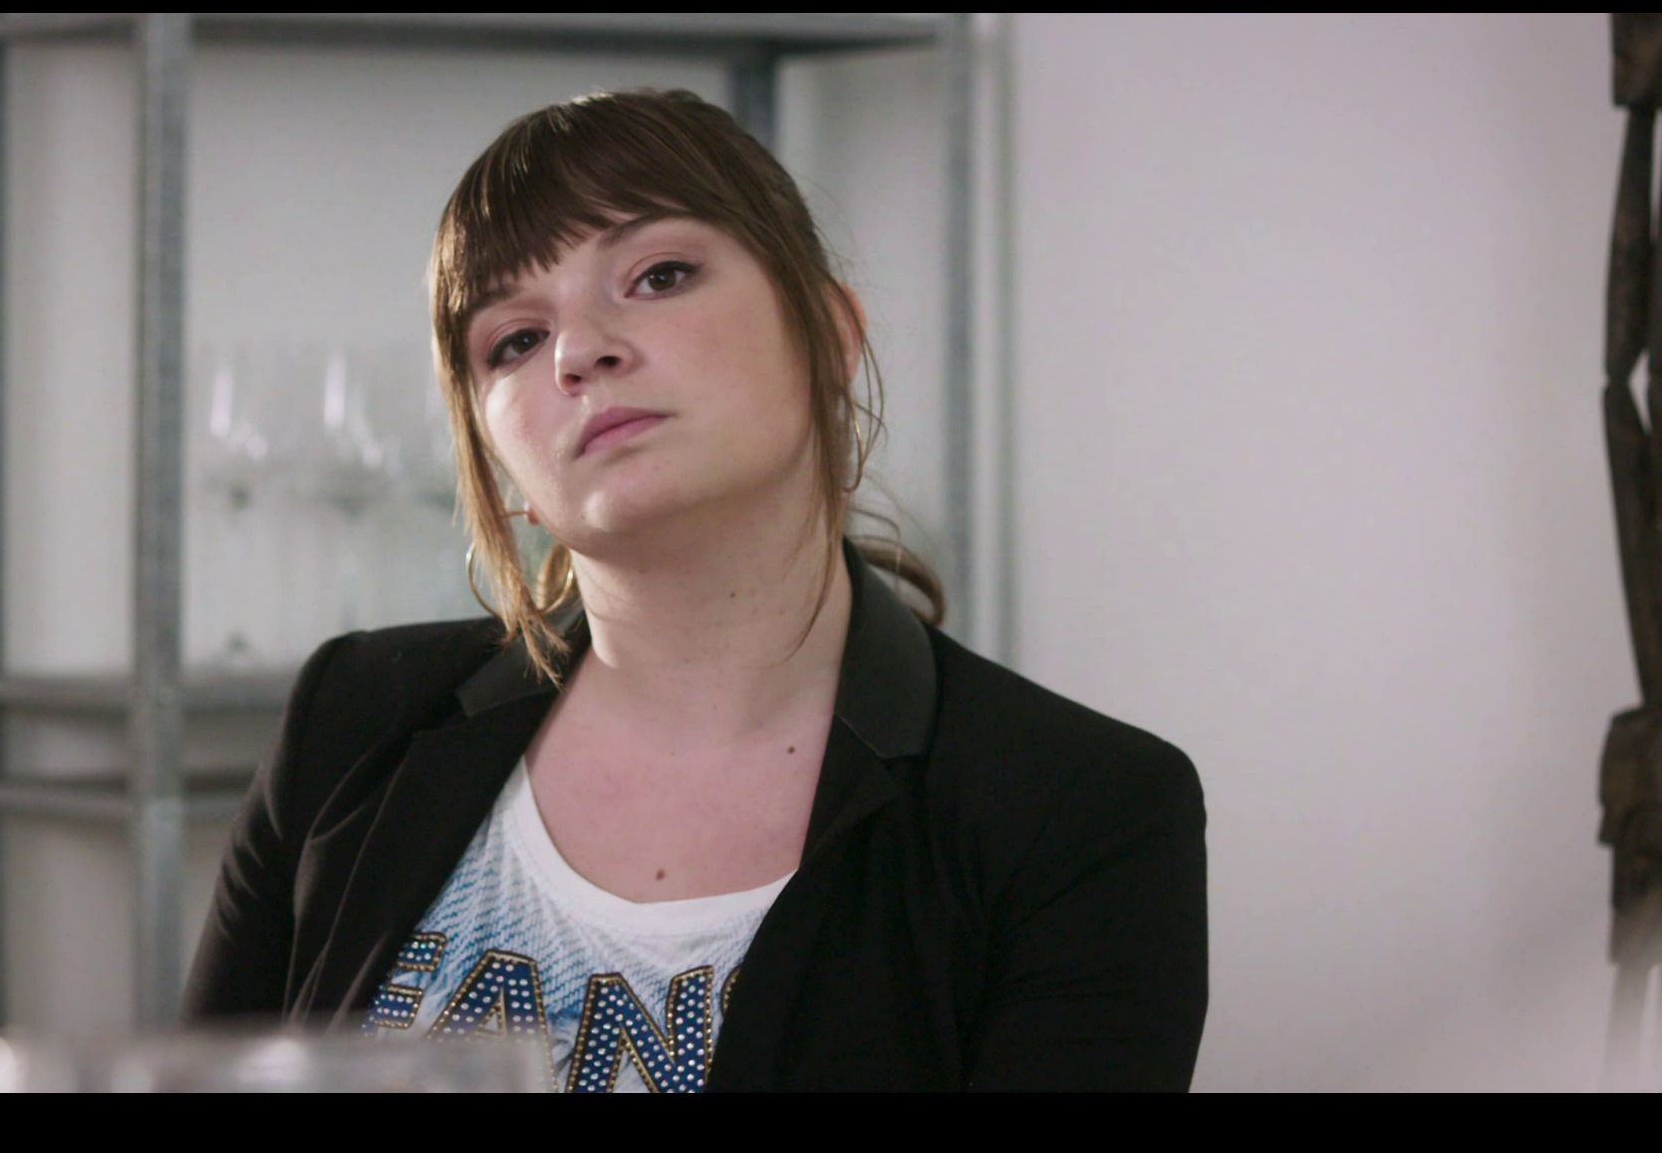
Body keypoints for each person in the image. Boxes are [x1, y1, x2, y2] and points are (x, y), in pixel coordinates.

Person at [181, 87, 1209, 1092]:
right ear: (499, 463)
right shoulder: (350, 721)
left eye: (660, 274)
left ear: (830, 335)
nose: (580, 351)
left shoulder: (1081, 813)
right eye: (516, 340)